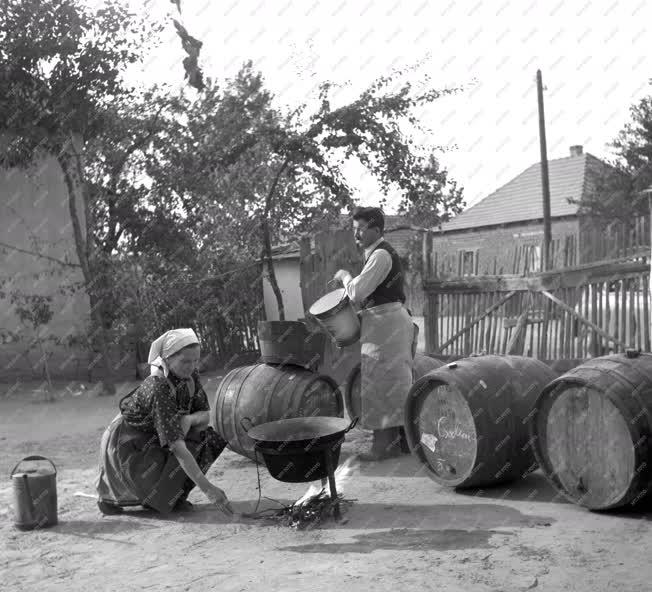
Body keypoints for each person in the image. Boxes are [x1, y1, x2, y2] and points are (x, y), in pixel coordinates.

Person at [95, 328, 233, 516]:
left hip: (155, 437)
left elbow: (205, 416)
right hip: (129, 445)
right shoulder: (158, 387)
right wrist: (208, 489)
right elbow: (177, 447)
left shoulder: (190, 376)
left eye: (195, 361)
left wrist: (189, 419)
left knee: (205, 438)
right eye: (185, 361)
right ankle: (156, 499)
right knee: (186, 445)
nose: (191, 366)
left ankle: (172, 497)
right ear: (167, 358)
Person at [333, 206, 416, 461]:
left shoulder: (380, 255)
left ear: (376, 230)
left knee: (382, 384)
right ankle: (395, 444)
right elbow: (373, 298)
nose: (356, 235)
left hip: (386, 325)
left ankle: (382, 449)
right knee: (388, 383)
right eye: (354, 230)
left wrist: (345, 276)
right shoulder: (377, 255)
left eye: (361, 230)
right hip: (384, 322)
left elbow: (357, 293)